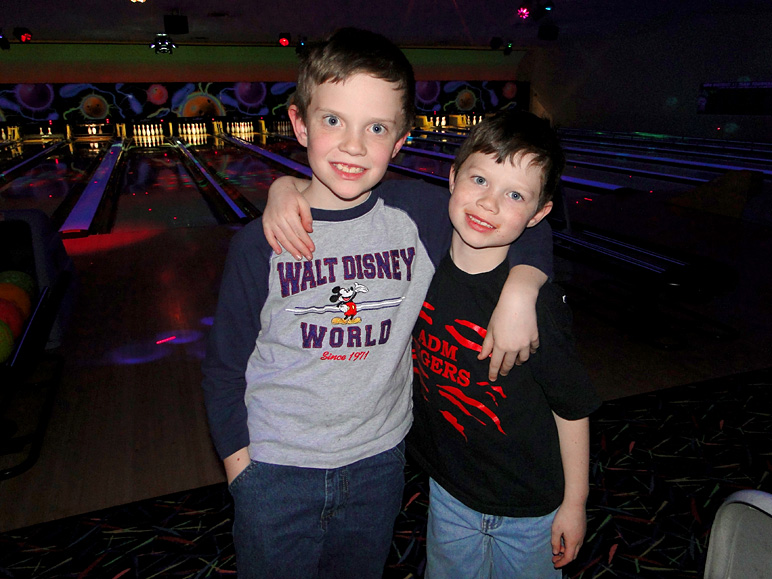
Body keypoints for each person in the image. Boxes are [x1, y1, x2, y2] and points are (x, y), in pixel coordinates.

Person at [202, 28, 553, 578]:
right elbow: (225, 366)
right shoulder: (260, 243)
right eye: (333, 120)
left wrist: (522, 288)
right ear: (300, 123)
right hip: (275, 469)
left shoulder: (418, 214)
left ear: (399, 141)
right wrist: (240, 469)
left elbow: (521, 221)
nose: (353, 145)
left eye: (377, 128)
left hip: (379, 464)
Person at [408, 110, 601, 577]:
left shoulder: (540, 307)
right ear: (452, 178)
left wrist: (575, 504)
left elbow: (571, 407)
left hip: (529, 503)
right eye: (479, 179)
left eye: (514, 194)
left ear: (539, 214)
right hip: (449, 490)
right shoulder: (417, 267)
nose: (488, 203)